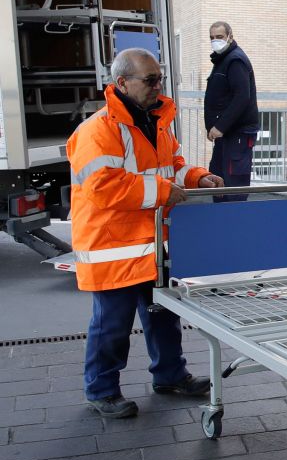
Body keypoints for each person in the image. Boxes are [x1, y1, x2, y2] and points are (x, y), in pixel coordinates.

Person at [69, 48, 224, 418]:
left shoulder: (156, 123)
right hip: (114, 248)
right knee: (112, 326)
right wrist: (164, 191)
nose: (158, 86)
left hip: (151, 245)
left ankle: (170, 375)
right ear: (121, 83)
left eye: (160, 79)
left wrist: (197, 176)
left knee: (163, 316)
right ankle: (101, 389)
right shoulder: (97, 131)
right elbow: (104, 188)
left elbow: (172, 167)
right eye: (150, 80)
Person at [204, 21, 258, 202]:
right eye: (212, 37)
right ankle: (221, 224)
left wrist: (220, 126)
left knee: (233, 186)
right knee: (218, 181)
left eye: (219, 37)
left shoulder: (235, 60)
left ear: (230, 37)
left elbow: (242, 97)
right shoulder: (223, 60)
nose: (215, 41)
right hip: (226, 135)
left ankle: (235, 225)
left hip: (237, 134)